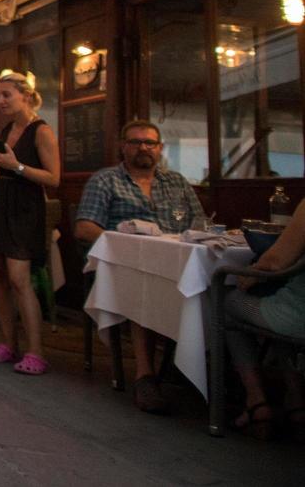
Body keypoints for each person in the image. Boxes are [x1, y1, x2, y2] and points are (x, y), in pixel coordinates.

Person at [74, 120, 205, 412]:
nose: (143, 147)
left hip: (175, 264)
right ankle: (145, 376)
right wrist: (125, 248)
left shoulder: (177, 182)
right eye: (135, 142)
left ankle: (194, 370)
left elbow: (201, 224)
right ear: (123, 147)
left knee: (208, 286)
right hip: (122, 266)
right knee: (143, 282)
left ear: (160, 148)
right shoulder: (106, 180)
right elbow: (84, 228)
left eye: (150, 143)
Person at [0, 69, 61, 375]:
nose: (0, 100)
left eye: (6, 94)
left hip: (25, 208)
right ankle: (8, 343)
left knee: (18, 278)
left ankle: (36, 351)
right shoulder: (7, 128)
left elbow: (53, 178)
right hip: (0, 204)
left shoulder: (41, 131)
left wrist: (18, 166)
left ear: (25, 96)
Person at [223, 197, 305, 440]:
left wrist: (252, 274)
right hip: (289, 311)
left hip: (297, 316)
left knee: (227, 301)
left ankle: (256, 401)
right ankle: (296, 400)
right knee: (273, 299)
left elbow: (276, 260)